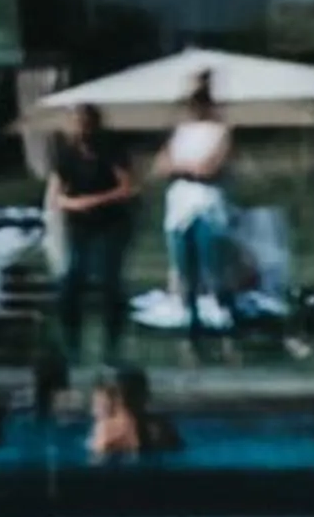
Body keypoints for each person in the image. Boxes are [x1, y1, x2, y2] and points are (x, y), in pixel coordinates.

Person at [51, 105, 139, 367]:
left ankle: (112, 346)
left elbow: (127, 187)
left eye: (86, 123)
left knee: (110, 283)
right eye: (78, 124)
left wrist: (94, 200)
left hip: (110, 225)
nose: (82, 129)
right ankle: (72, 345)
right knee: (70, 284)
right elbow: (58, 194)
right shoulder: (66, 154)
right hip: (80, 227)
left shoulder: (111, 151)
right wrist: (72, 204)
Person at [152, 72, 235, 347]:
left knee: (211, 264)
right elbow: (161, 165)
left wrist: (182, 167)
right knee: (184, 267)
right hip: (179, 206)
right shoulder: (180, 132)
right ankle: (191, 324)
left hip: (206, 205)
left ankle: (223, 321)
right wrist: (186, 167)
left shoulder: (220, 130)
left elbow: (209, 167)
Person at [87, 364, 181, 461]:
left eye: (96, 402)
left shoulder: (105, 431)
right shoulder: (163, 428)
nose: (93, 410)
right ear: (145, 397)